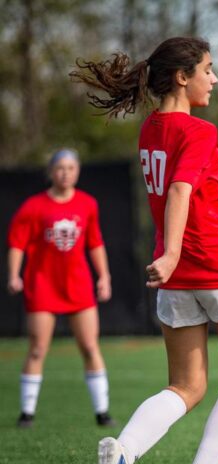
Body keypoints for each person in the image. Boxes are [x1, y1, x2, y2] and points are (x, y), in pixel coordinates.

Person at [71, 37, 218, 464]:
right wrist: (176, 251)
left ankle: (124, 452)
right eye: (208, 69)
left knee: (185, 385)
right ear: (183, 77)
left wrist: (171, 257)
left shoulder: (150, 129)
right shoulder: (199, 131)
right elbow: (180, 191)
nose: (214, 79)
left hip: (173, 278)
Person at [7, 149, 115, 429]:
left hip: (78, 286)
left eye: (71, 167)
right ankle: (26, 413)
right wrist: (14, 275)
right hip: (43, 284)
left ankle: (102, 413)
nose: (65, 173)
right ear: (51, 172)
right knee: (37, 348)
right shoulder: (33, 206)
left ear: (77, 171)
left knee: (90, 346)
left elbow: (95, 242)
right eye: (60, 168)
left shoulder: (88, 204)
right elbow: (17, 244)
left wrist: (104, 276)